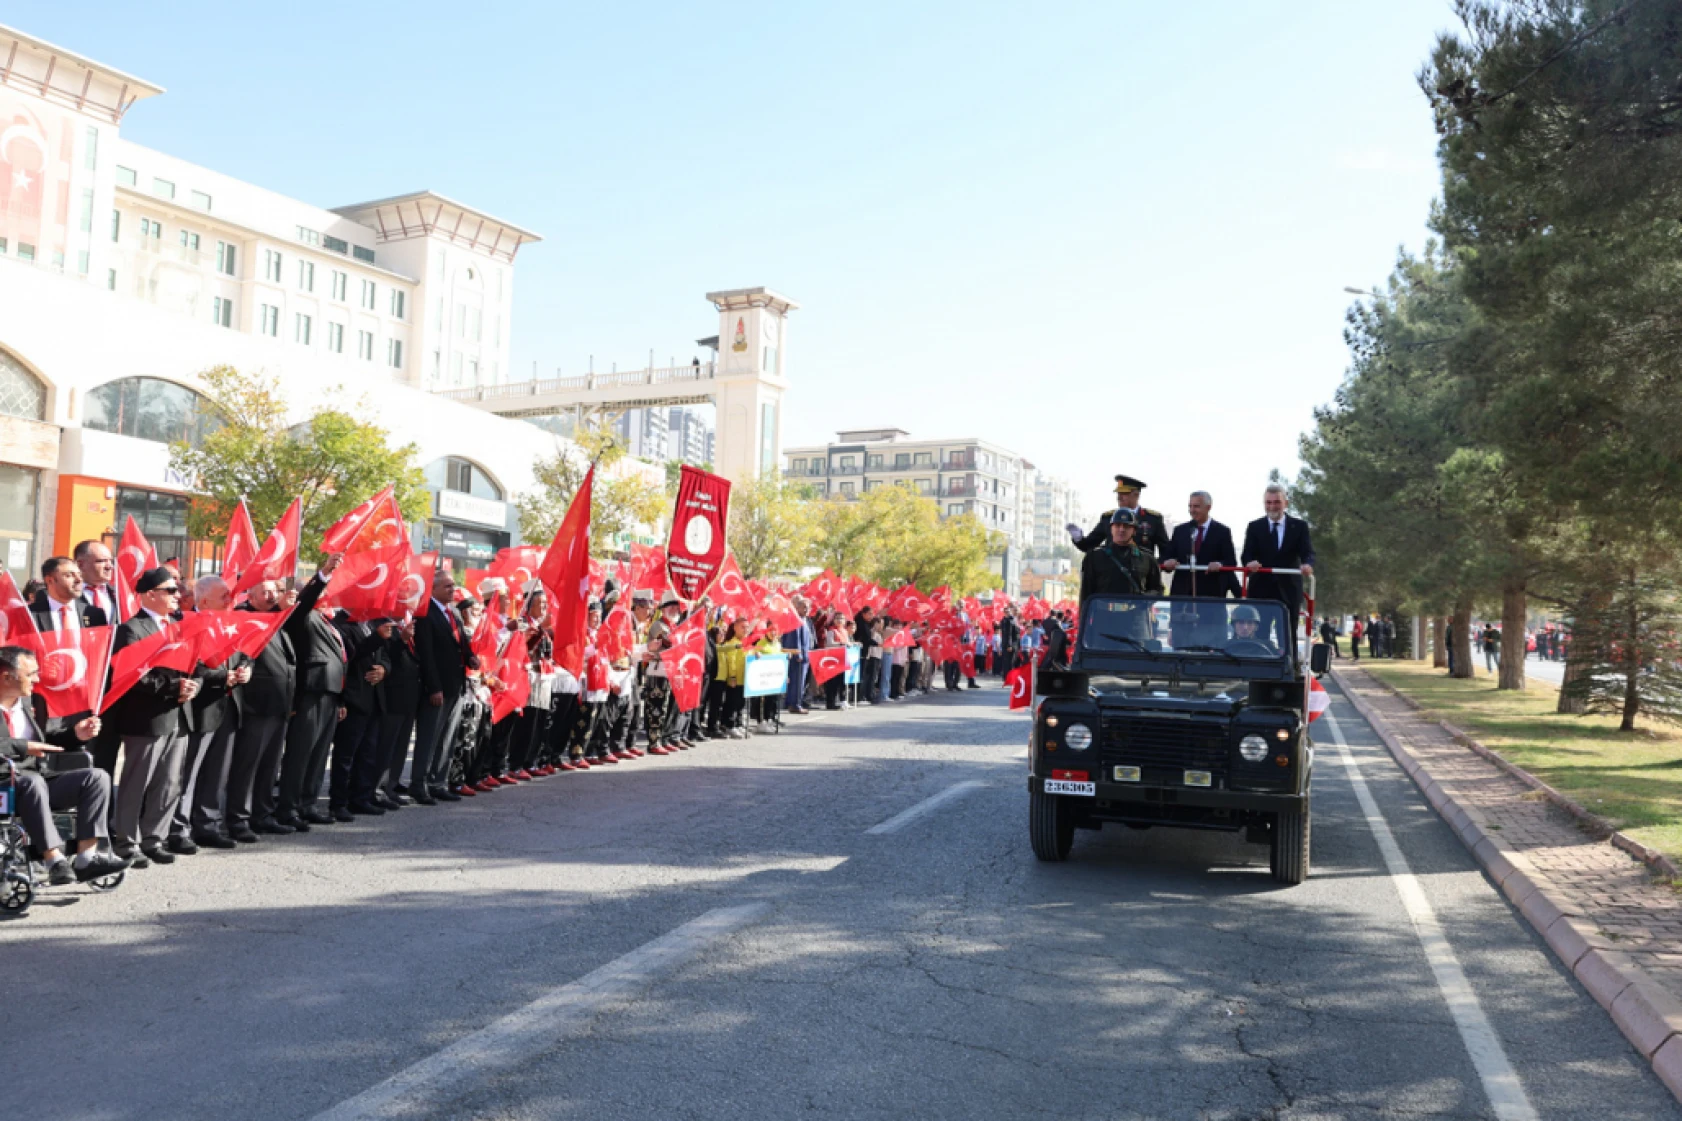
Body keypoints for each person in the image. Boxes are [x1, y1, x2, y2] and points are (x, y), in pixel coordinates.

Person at [0, 645, 130, 883]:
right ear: (6, 677)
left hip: (36, 780)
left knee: (97, 777)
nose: (37, 680)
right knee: (32, 782)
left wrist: (75, 735)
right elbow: (23, 745)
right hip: (5, 785)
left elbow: (46, 739)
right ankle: (54, 860)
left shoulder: (32, 702)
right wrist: (22, 746)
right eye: (31, 674)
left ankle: (86, 858)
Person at [108, 567, 204, 866]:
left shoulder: (179, 625)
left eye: (178, 589)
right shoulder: (131, 629)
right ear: (151, 594)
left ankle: (154, 838)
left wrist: (193, 686)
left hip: (179, 714)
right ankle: (126, 840)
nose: (178, 595)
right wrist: (174, 687)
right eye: (171, 590)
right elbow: (132, 676)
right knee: (138, 780)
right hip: (146, 717)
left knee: (169, 781)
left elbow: (196, 664)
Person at [168, 575, 252, 852]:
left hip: (227, 705)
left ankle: (208, 825)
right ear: (204, 600)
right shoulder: (189, 625)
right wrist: (222, 676)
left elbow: (242, 654)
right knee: (189, 772)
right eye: (224, 596)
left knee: (217, 771)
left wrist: (244, 669)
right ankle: (179, 828)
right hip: (199, 707)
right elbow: (193, 665)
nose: (231, 600)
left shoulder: (228, 622)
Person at [276, 554, 346, 830]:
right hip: (311, 692)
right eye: (323, 590)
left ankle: (308, 804)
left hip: (330, 693)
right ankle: (288, 808)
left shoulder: (327, 620)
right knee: (300, 753)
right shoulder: (301, 614)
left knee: (318, 754)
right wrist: (323, 574)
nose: (328, 595)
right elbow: (306, 601)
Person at [227, 579, 296, 839]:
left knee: (269, 765)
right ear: (250, 596)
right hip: (256, 705)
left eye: (274, 592)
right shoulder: (248, 616)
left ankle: (263, 815)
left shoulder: (276, 621)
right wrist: (278, 608)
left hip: (278, 705)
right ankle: (238, 819)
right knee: (248, 766)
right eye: (264, 592)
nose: (271, 596)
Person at [412, 567, 469, 805]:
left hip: (456, 685)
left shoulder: (453, 613)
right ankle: (419, 784)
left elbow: (461, 642)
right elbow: (426, 653)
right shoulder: (426, 613)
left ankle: (439, 782)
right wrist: (434, 687)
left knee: (447, 737)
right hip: (438, 688)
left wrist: (471, 655)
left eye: (453, 585)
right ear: (433, 589)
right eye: (447, 586)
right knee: (429, 737)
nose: (452, 589)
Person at [1240, 484, 1316, 653]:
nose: (1272, 506)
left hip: (1289, 589)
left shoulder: (1299, 526)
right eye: (1268, 502)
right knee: (1260, 634)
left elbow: (1308, 552)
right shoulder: (1254, 527)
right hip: (1261, 589)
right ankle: (1260, 671)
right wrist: (1250, 563)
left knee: (1288, 634)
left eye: (1276, 502)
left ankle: (1291, 669)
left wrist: (1307, 564)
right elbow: (1246, 554)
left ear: (1285, 503)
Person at [1070, 474, 1168, 559]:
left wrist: (1155, 564)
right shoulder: (1108, 518)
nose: (1119, 497)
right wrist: (1079, 539)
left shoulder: (1153, 519)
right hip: (1113, 574)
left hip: (1142, 576)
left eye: (1124, 493)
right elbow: (1089, 546)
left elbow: (1166, 551)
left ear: (1136, 495)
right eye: (1118, 493)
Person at [1079, 509, 1164, 605]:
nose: (1121, 529)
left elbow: (1158, 590)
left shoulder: (1147, 559)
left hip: (1135, 616)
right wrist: (1083, 618)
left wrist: (1144, 598)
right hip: (1105, 615)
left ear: (1134, 531)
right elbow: (1086, 594)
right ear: (1111, 528)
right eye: (1117, 525)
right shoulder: (1094, 557)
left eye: (1126, 526)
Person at [73, 539, 122, 625]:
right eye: (102, 561)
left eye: (110, 561)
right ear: (81, 564)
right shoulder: (67, 594)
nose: (109, 566)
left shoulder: (119, 594)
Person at [782, 595, 814, 716]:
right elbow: (795, 638)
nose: (806, 610)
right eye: (804, 607)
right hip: (798, 656)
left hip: (806, 655)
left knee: (800, 682)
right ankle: (795, 704)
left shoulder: (805, 620)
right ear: (797, 607)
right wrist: (797, 653)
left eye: (808, 608)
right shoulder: (795, 619)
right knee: (797, 681)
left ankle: (794, 702)